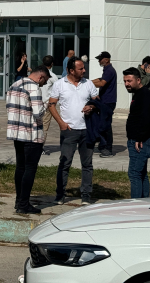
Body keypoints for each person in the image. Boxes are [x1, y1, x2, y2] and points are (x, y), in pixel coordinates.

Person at [48, 57, 99, 205]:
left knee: (87, 164)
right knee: (65, 163)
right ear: (71, 70)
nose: (84, 70)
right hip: (69, 130)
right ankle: (60, 194)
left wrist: (92, 107)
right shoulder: (59, 84)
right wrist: (61, 123)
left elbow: (97, 101)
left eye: (84, 68)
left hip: (87, 130)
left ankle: (86, 195)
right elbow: (51, 105)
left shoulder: (88, 84)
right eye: (81, 68)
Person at [5, 65, 50, 213]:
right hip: (31, 134)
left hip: (16, 132)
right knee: (30, 169)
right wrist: (47, 104)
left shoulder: (14, 84)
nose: (43, 84)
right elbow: (38, 113)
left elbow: (8, 106)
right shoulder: (34, 88)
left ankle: (19, 201)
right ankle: (24, 204)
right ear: (41, 77)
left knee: (20, 167)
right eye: (44, 81)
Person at [123, 67, 150, 198]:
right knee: (141, 173)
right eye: (125, 81)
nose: (127, 84)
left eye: (129, 81)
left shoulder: (145, 95)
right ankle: (144, 203)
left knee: (134, 173)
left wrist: (139, 138)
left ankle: (136, 206)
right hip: (137, 139)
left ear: (138, 80)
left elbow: (147, 118)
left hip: (141, 141)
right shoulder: (138, 94)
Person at [92, 51, 118, 158]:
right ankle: (102, 144)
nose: (99, 61)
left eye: (100, 59)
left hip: (108, 102)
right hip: (103, 101)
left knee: (105, 125)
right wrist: (87, 81)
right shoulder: (107, 70)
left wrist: (88, 84)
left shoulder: (109, 70)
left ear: (106, 60)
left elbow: (102, 83)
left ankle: (108, 148)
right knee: (100, 122)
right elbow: (100, 80)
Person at [40, 55, 59, 155]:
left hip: (35, 104)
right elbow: (58, 90)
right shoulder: (52, 76)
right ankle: (40, 147)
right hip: (47, 105)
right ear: (52, 64)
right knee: (44, 127)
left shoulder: (36, 73)